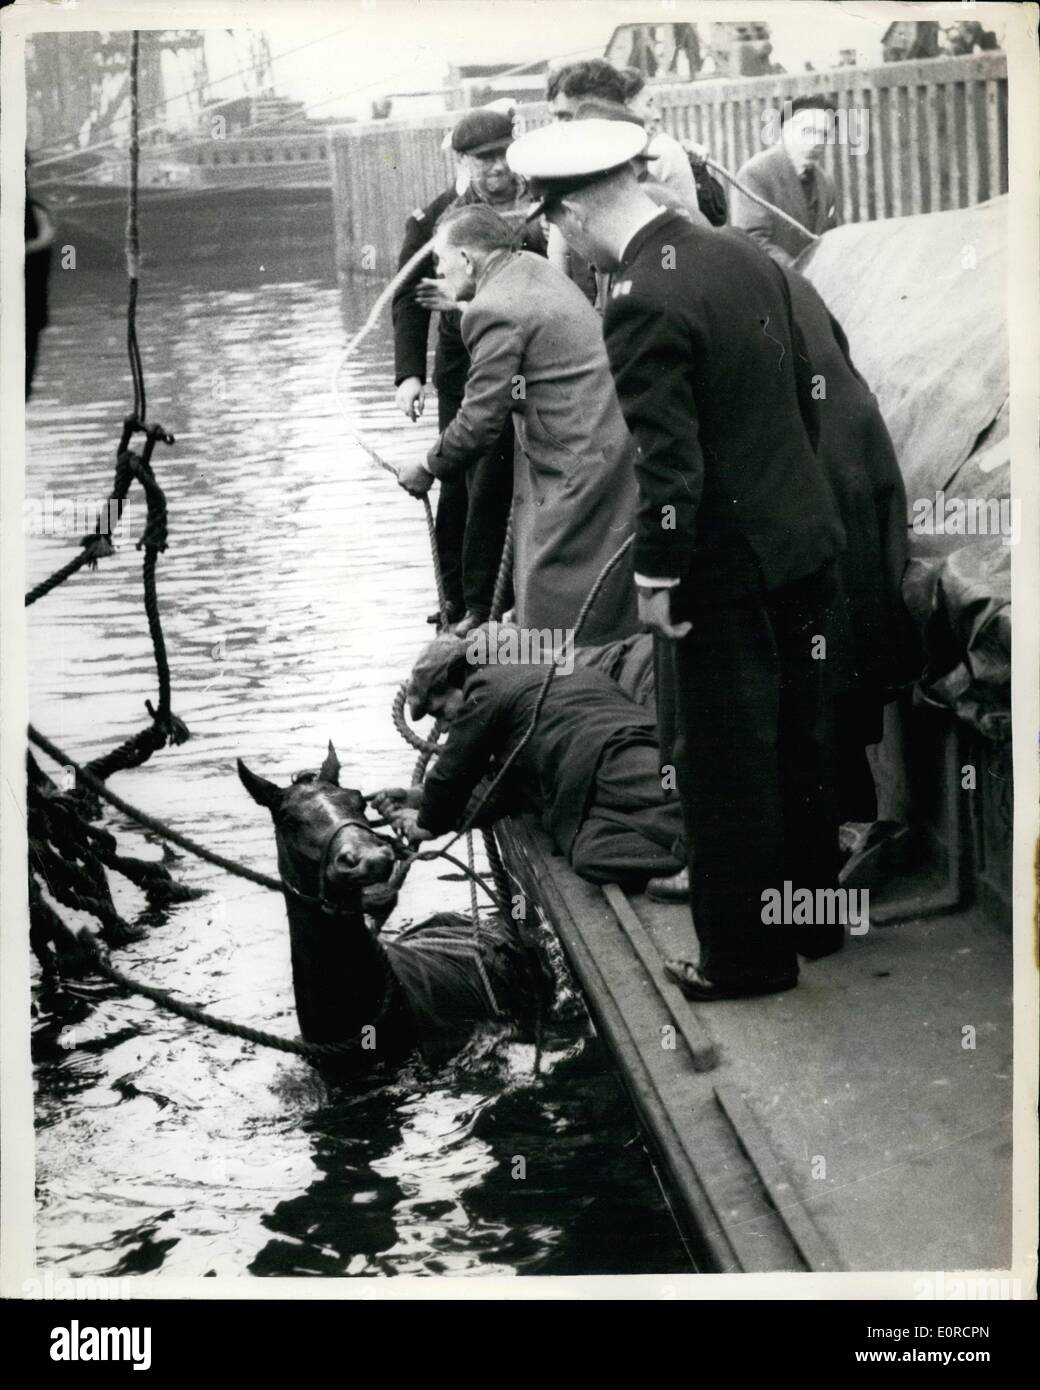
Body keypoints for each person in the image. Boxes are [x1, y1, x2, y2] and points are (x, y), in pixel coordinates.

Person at [508, 119, 848, 1000]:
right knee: (802, 745)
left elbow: (670, 462)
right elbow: (800, 396)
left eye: (556, 226)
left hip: (722, 575)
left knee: (722, 765)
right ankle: (813, 927)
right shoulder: (737, 252)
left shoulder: (635, 299)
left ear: (575, 212)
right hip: (802, 542)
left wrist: (657, 578)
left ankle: (745, 961)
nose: (564, 245)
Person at [396, 203, 639, 647]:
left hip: (578, 463)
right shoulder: (531, 267)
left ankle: (557, 685)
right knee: (593, 585)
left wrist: (427, 467)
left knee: (552, 590)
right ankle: (608, 659)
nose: (440, 272)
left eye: (442, 262)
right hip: (610, 444)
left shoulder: (491, 312)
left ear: (468, 259)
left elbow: (478, 423)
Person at [391, 108, 544, 631]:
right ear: (463, 162)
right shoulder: (438, 220)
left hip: (529, 366)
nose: (497, 167)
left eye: (503, 153)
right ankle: (461, 602)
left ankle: (506, 597)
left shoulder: (544, 208)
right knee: (463, 482)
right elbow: (407, 299)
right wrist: (409, 374)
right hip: (464, 369)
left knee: (517, 482)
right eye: (484, 159)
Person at [372, 634, 684, 890]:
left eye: (441, 712)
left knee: (680, 809)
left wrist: (425, 824)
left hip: (621, 752)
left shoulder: (487, 688)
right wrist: (418, 797)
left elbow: (451, 772)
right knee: (589, 855)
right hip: (587, 778)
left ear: (458, 679)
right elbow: (499, 788)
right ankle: (695, 859)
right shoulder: (532, 688)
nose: (446, 725)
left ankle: (715, 858)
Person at [730, 96, 842, 265]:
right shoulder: (757, 174)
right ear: (785, 131)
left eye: (823, 134)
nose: (816, 142)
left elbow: (832, 238)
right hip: (772, 283)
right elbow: (752, 241)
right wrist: (800, 274)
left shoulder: (826, 183)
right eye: (808, 132)